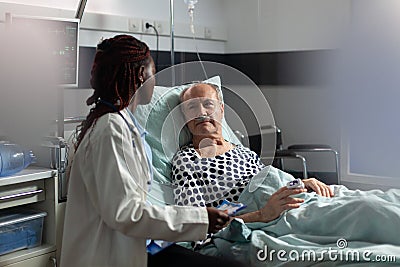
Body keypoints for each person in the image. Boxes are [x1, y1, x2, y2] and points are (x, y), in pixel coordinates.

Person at [60, 35, 245, 267]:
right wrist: (200, 218)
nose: (154, 80)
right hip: (106, 254)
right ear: (140, 75)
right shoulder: (110, 130)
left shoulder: (123, 124)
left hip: (139, 243)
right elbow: (127, 213)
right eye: (152, 72)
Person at [172, 82, 334, 223]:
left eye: (208, 104)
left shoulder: (244, 153)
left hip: (301, 201)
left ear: (221, 109)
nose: (201, 112)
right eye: (192, 107)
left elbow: (269, 184)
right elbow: (195, 223)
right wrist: (262, 214)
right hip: (278, 218)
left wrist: (299, 184)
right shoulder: (187, 160)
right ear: (184, 117)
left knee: (349, 200)